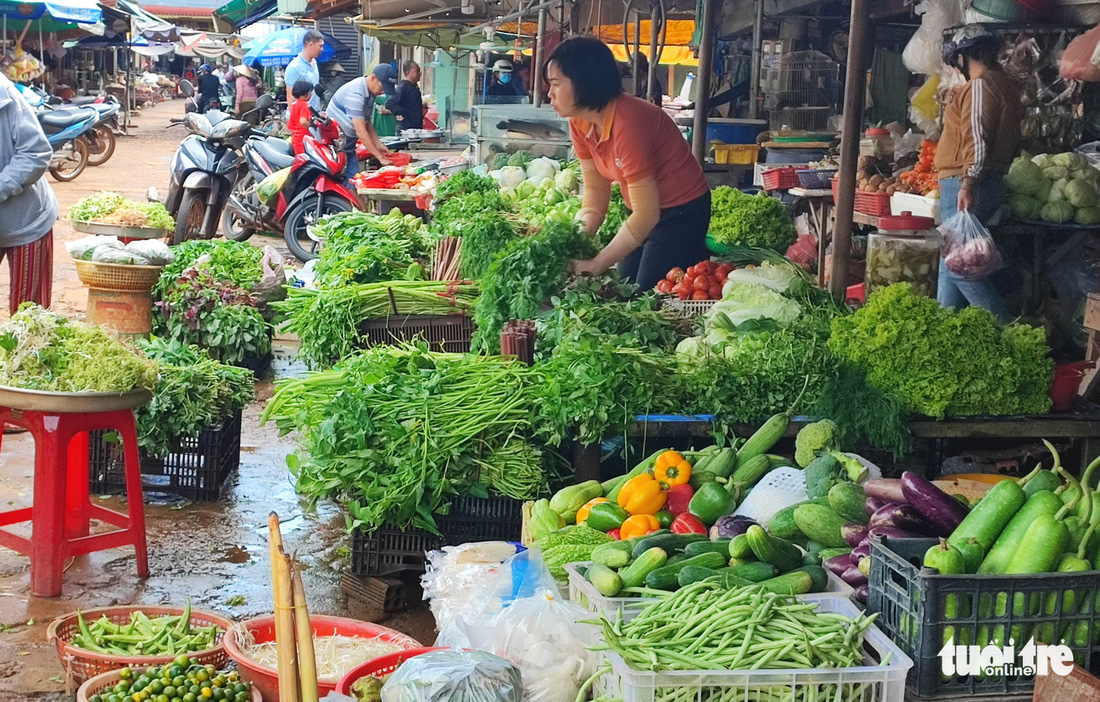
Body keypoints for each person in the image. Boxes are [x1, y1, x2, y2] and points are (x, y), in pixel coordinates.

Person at [544, 37, 710, 290]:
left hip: (681, 212)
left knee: (646, 293)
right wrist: (576, 239)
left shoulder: (628, 122)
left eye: (556, 84)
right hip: (644, 211)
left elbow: (647, 213)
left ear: (583, 83)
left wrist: (598, 263)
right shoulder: (579, 122)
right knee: (625, 287)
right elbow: (596, 191)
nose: (550, 93)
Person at [935, 25, 1021, 322]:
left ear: (962, 56)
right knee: (951, 263)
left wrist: (968, 182)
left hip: (968, 182)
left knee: (960, 269)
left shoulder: (981, 85)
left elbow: (977, 137)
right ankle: (943, 330)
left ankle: (1008, 332)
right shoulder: (1005, 84)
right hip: (983, 181)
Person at [0, 72, 58, 315]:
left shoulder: (7, 97)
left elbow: (36, 153)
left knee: (28, 315)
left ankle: (27, 354)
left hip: (27, 220)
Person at [326, 64, 397, 179]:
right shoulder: (356, 93)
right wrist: (380, 157)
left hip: (348, 145)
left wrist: (378, 144)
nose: (383, 92)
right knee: (342, 182)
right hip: (335, 146)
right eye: (382, 87)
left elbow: (367, 121)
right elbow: (360, 131)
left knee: (354, 181)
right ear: (373, 78)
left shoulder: (370, 93)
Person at [284, 29, 324, 111]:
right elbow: (291, 97)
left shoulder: (314, 62)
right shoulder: (294, 67)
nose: (322, 49)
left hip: (313, 115)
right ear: (310, 45)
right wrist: (298, 121)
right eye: (320, 46)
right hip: (301, 118)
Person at [387, 60, 424, 131]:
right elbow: (390, 103)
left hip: (416, 128)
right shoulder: (403, 87)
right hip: (405, 130)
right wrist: (403, 113)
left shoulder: (414, 86)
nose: (420, 73)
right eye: (417, 71)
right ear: (408, 73)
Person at [288, 80, 314, 155]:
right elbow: (303, 121)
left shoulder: (295, 104)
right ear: (306, 93)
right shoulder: (305, 105)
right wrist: (311, 128)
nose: (311, 94)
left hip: (296, 138)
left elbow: (290, 125)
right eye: (310, 92)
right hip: (304, 139)